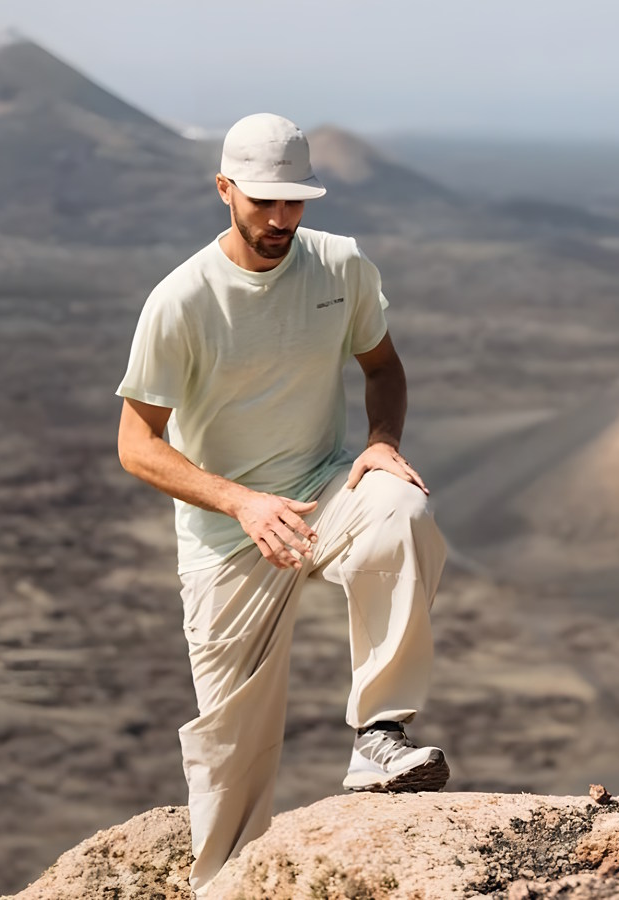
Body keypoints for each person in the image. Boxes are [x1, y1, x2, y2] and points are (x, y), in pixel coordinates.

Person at [115, 112, 448, 896]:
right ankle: (220, 884)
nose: (278, 219)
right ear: (224, 189)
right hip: (230, 536)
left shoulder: (340, 266)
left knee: (401, 509)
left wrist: (380, 440)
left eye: (292, 201)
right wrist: (240, 504)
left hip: (326, 487)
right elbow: (137, 444)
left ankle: (380, 734)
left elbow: (384, 366)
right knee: (230, 754)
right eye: (262, 200)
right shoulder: (183, 300)